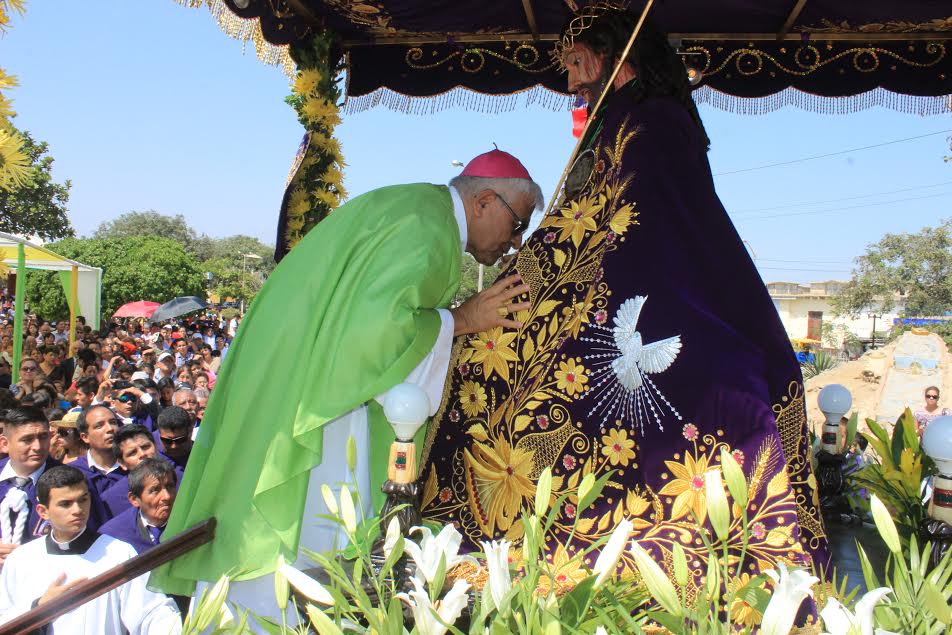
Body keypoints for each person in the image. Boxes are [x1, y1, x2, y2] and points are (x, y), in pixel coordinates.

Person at [419, 7, 828, 579]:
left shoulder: (654, 121)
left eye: (576, 63)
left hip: (649, 294)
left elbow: (629, 223)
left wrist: (548, 280)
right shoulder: (619, 120)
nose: (571, 83)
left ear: (612, 54)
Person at [153, 149, 540, 605]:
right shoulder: (427, 229)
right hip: (322, 409)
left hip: (289, 374)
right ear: (484, 201)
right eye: (518, 224)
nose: (515, 242)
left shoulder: (413, 207)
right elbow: (373, 336)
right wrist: (462, 320)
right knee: (294, 560)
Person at [0, 466, 182, 634]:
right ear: (43, 511)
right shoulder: (21, 559)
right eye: (65, 504)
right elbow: (4, 617)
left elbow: (151, 612)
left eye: (83, 500)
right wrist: (38, 608)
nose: (78, 510)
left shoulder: (118, 553)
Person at [0, 407, 59, 556]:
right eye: (27, 440)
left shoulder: (68, 481)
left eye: (43, 437)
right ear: (5, 444)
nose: (38, 447)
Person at [100, 459, 177, 554]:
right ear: (134, 499)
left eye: (170, 487)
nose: (167, 496)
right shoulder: (113, 536)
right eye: (155, 490)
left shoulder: (189, 519)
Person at [72, 405, 125, 497]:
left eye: (113, 422)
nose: (110, 429)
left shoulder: (133, 466)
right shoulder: (74, 471)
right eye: (99, 426)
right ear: (85, 437)